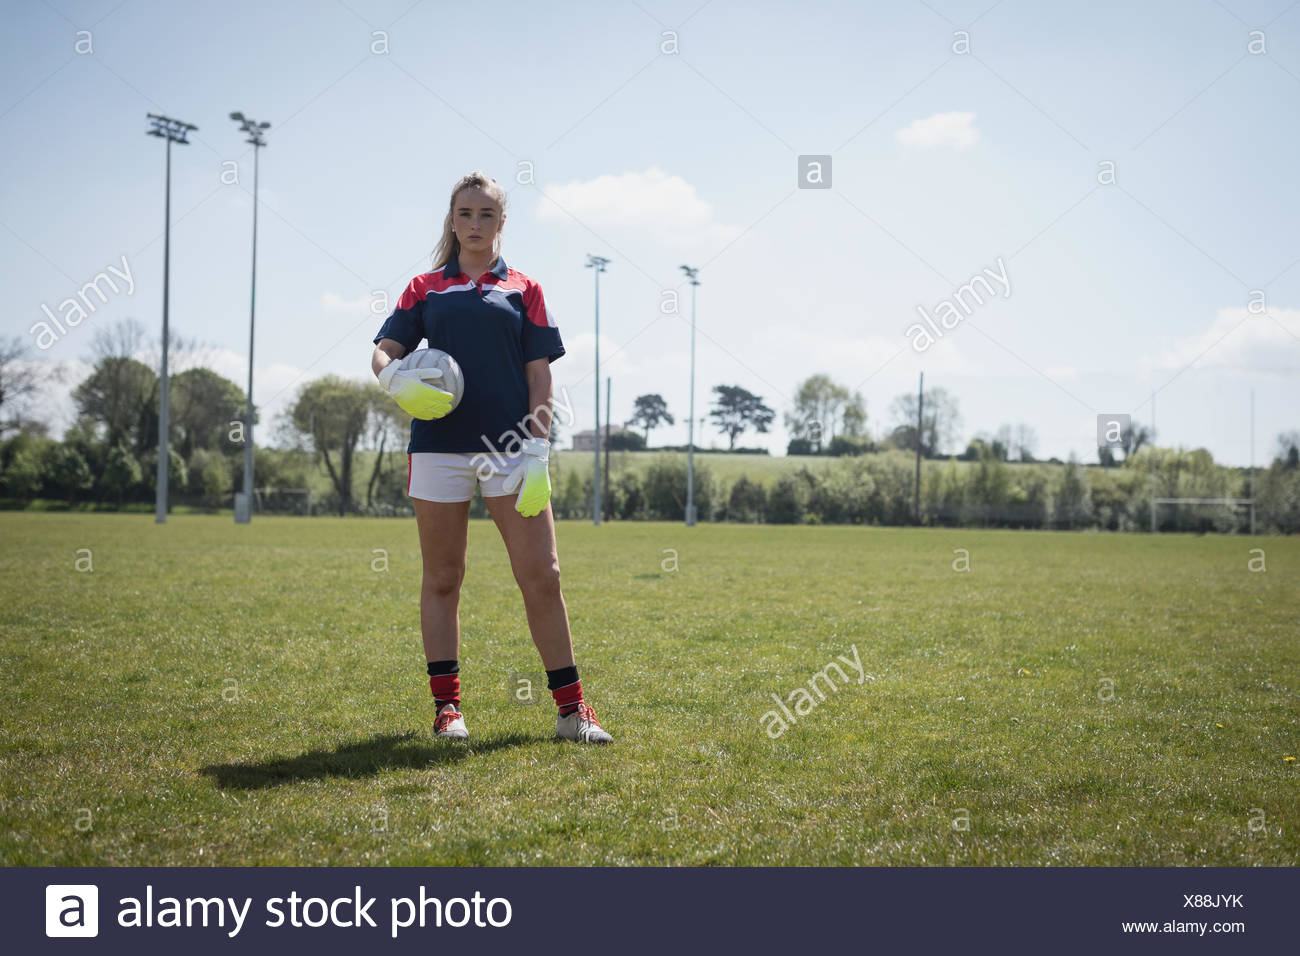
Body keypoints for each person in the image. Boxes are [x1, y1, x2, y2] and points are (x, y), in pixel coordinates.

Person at [370, 171, 611, 744]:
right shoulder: (424, 288)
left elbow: (538, 374)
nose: (475, 225)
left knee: (542, 575)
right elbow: (384, 352)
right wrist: (393, 379)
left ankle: (573, 712)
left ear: (502, 222)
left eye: (486, 215)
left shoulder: (524, 289)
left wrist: (538, 449)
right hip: (438, 451)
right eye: (465, 214)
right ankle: (447, 710)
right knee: (444, 577)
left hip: (511, 452)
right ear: (451, 221)